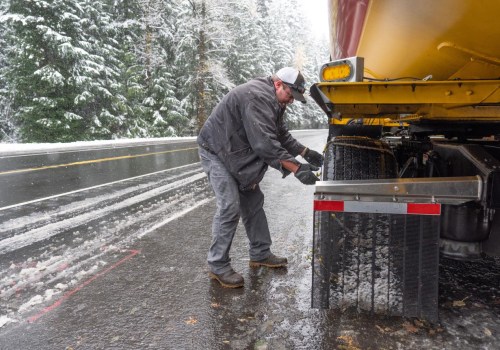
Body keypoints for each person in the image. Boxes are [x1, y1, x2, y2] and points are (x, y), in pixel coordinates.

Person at [197, 67, 324, 288]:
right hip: (216, 151)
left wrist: (305, 152)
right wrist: (297, 168)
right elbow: (264, 143)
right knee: (230, 205)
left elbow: (280, 134)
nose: (291, 101)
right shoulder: (258, 97)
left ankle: (260, 253)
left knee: (253, 202)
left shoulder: (274, 101)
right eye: (290, 95)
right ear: (278, 84)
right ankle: (218, 265)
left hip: (235, 153)